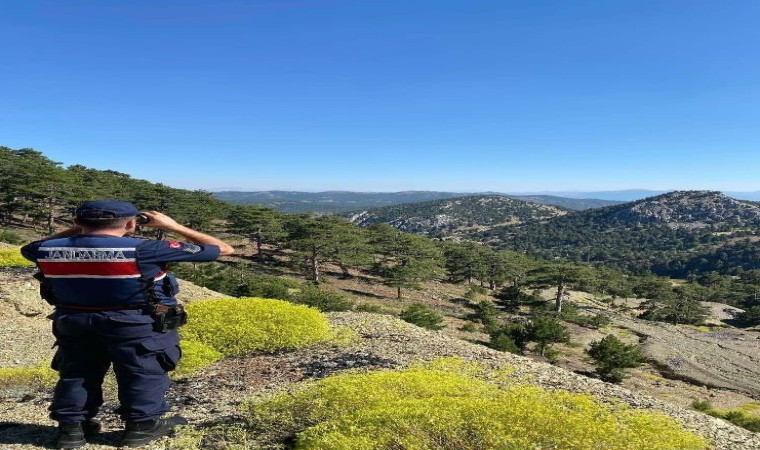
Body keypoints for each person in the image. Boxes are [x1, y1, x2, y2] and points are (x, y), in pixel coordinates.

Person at [20, 200, 234, 449]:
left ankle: (71, 430)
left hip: (74, 321)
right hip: (135, 323)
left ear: (77, 222)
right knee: (142, 371)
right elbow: (223, 248)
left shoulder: (45, 249)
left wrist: (82, 230)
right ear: (131, 224)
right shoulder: (146, 249)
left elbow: (30, 247)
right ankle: (141, 427)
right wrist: (173, 226)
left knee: (77, 372)